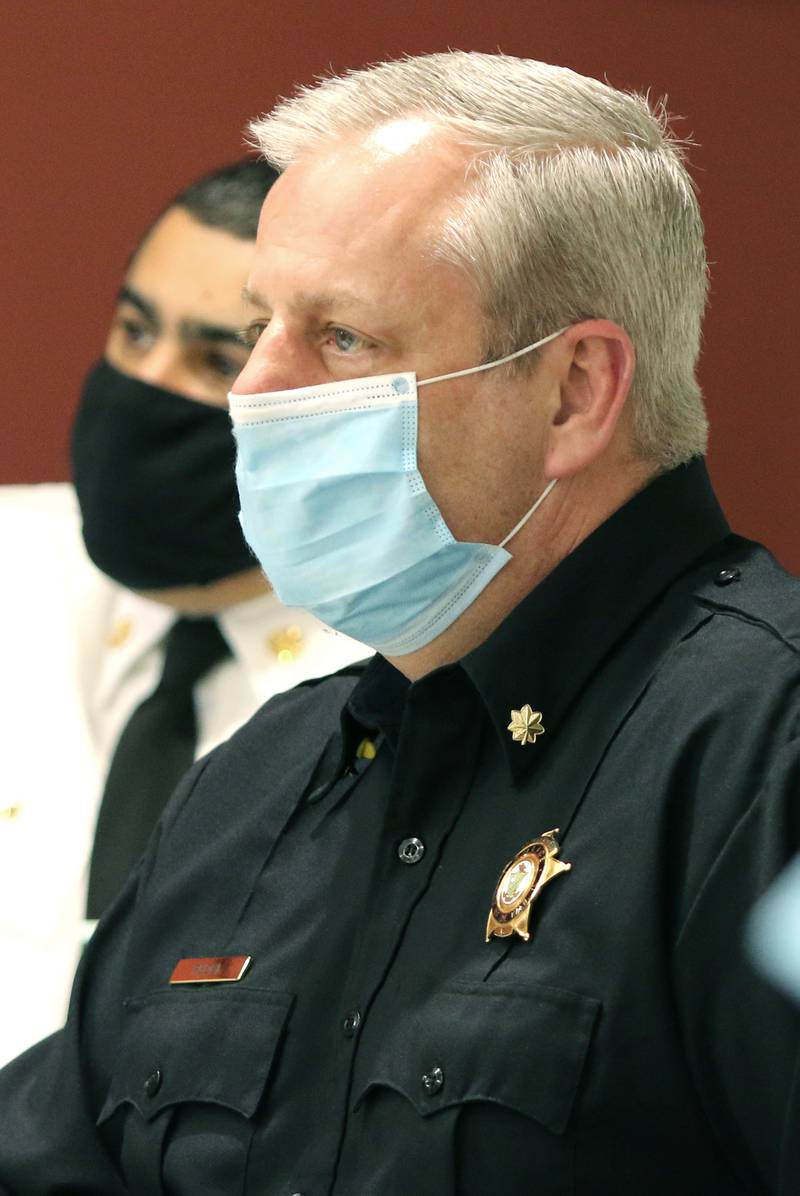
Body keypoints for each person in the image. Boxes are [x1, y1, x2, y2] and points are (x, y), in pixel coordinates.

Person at [1, 51, 798, 1195]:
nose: (253, 391)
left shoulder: (759, 758)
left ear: (575, 389)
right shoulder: (260, 780)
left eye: (340, 339)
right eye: (256, 328)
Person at [0, 160, 366, 1068]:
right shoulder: (16, 564)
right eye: (134, 331)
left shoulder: (397, 680)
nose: (148, 386)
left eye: (215, 359)